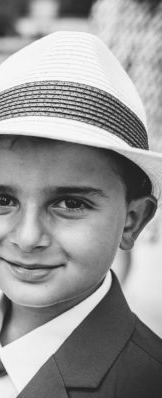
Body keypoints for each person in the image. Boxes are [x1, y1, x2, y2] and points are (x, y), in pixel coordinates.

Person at [0, 31, 162, 398]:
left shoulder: (147, 383)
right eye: (1, 200)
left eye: (71, 204)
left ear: (132, 221)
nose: (28, 237)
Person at [90, 0, 162, 284]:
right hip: (111, 135)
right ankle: (105, 310)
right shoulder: (108, 6)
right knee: (116, 228)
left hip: (157, 140)